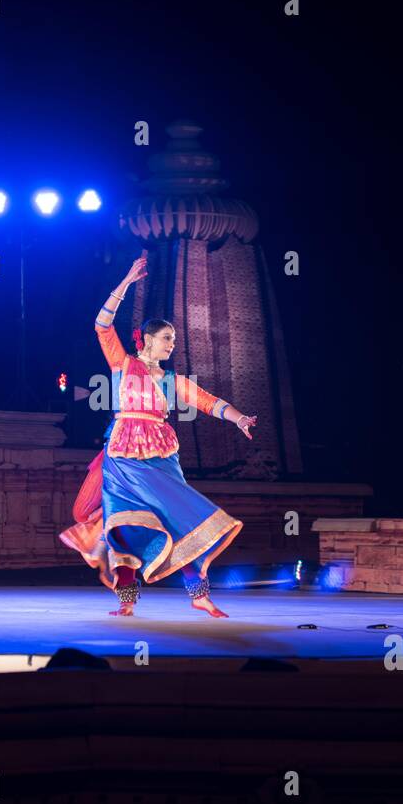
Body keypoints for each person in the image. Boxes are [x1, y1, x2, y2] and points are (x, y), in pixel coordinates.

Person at [58, 252, 258, 617]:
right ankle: (127, 602)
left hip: (161, 458)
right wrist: (126, 282)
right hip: (122, 456)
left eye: (173, 339)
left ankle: (198, 594)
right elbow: (102, 325)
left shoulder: (172, 380)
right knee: (123, 524)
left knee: (177, 517)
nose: (171, 344)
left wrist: (239, 418)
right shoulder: (123, 364)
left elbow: (209, 402)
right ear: (146, 340)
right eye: (166, 338)